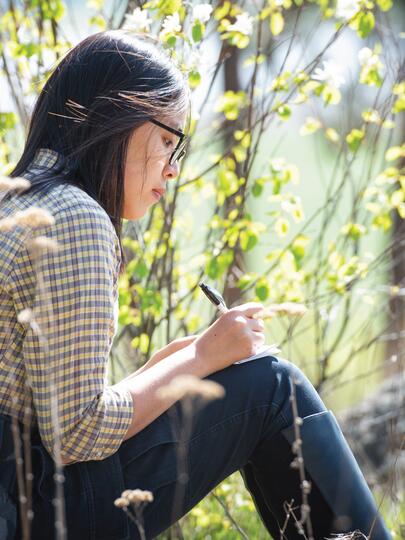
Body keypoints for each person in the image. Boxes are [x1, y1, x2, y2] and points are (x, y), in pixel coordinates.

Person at [0, 30, 392, 540]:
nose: (174, 167)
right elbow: (76, 434)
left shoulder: (23, 201)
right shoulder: (75, 216)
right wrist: (201, 357)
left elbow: (57, 414)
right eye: (168, 140)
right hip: (34, 508)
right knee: (273, 385)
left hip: (22, 495)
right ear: (116, 118)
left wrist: (164, 367)